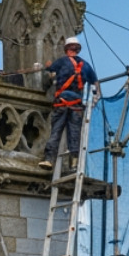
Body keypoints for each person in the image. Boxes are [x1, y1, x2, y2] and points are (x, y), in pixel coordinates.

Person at [34, 36, 100, 173]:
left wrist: (44, 69)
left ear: (66, 49)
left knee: (56, 131)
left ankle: (49, 159)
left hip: (61, 104)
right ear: (77, 50)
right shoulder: (86, 65)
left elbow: (48, 76)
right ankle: (74, 163)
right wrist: (95, 98)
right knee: (74, 134)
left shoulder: (61, 62)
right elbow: (95, 83)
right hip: (76, 106)